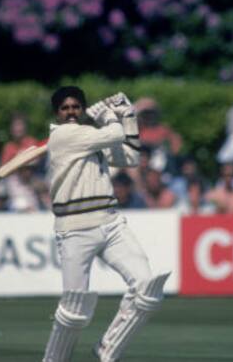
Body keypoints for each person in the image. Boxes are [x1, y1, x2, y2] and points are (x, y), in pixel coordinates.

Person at [42, 86, 169, 362]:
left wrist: (129, 116)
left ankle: (107, 350)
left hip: (111, 223)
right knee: (74, 310)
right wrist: (111, 116)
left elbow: (131, 157)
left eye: (76, 106)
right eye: (65, 108)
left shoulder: (91, 140)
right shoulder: (64, 135)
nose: (71, 112)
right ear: (57, 114)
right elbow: (115, 133)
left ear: (82, 108)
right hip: (74, 229)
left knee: (147, 289)